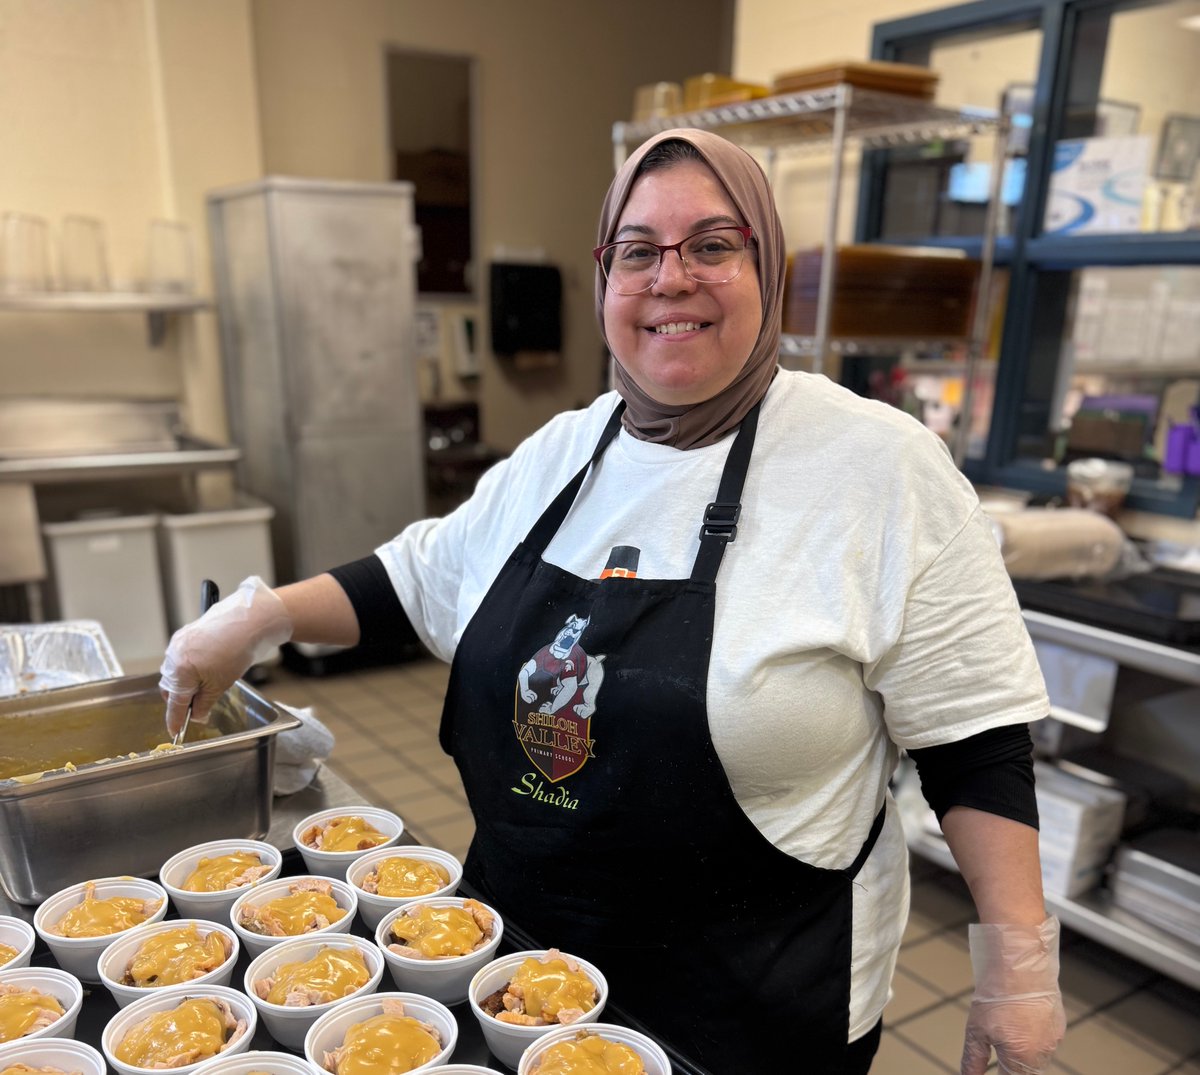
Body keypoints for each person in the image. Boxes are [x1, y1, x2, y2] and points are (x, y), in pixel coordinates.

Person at [161, 128, 1066, 1074]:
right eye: (638, 252)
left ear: (771, 266)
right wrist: (262, 614)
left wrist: (1019, 971)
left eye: (714, 245)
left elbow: (977, 744)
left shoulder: (879, 466)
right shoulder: (563, 451)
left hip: (752, 1006)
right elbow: (412, 579)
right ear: (605, 281)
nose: (671, 278)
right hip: (518, 980)